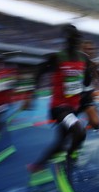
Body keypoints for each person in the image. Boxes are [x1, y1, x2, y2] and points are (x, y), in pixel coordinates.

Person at [26, 24, 91, 174]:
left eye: (77, 39)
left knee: (61, 142)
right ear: (66, 40)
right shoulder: (57, 58)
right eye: (72, 39)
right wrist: (32, 93)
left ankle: (37, 167)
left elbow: (87, 82)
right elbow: (39, 71)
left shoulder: (84, 59)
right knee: (79, 131)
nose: (75, 42)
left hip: (73, 107)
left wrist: (87, 73)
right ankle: (70, 159)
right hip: (59, 108)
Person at [77, 39, 99, 132]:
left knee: (96, 124)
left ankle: (88, 123)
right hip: (74, 97)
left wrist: (95, 89)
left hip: (86, 98)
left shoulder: (93, 65)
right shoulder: (77, 62)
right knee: (70, 126)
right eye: (87, 49)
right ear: (81, 50)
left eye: (92, 49)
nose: (90, 51)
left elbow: (94, 78)